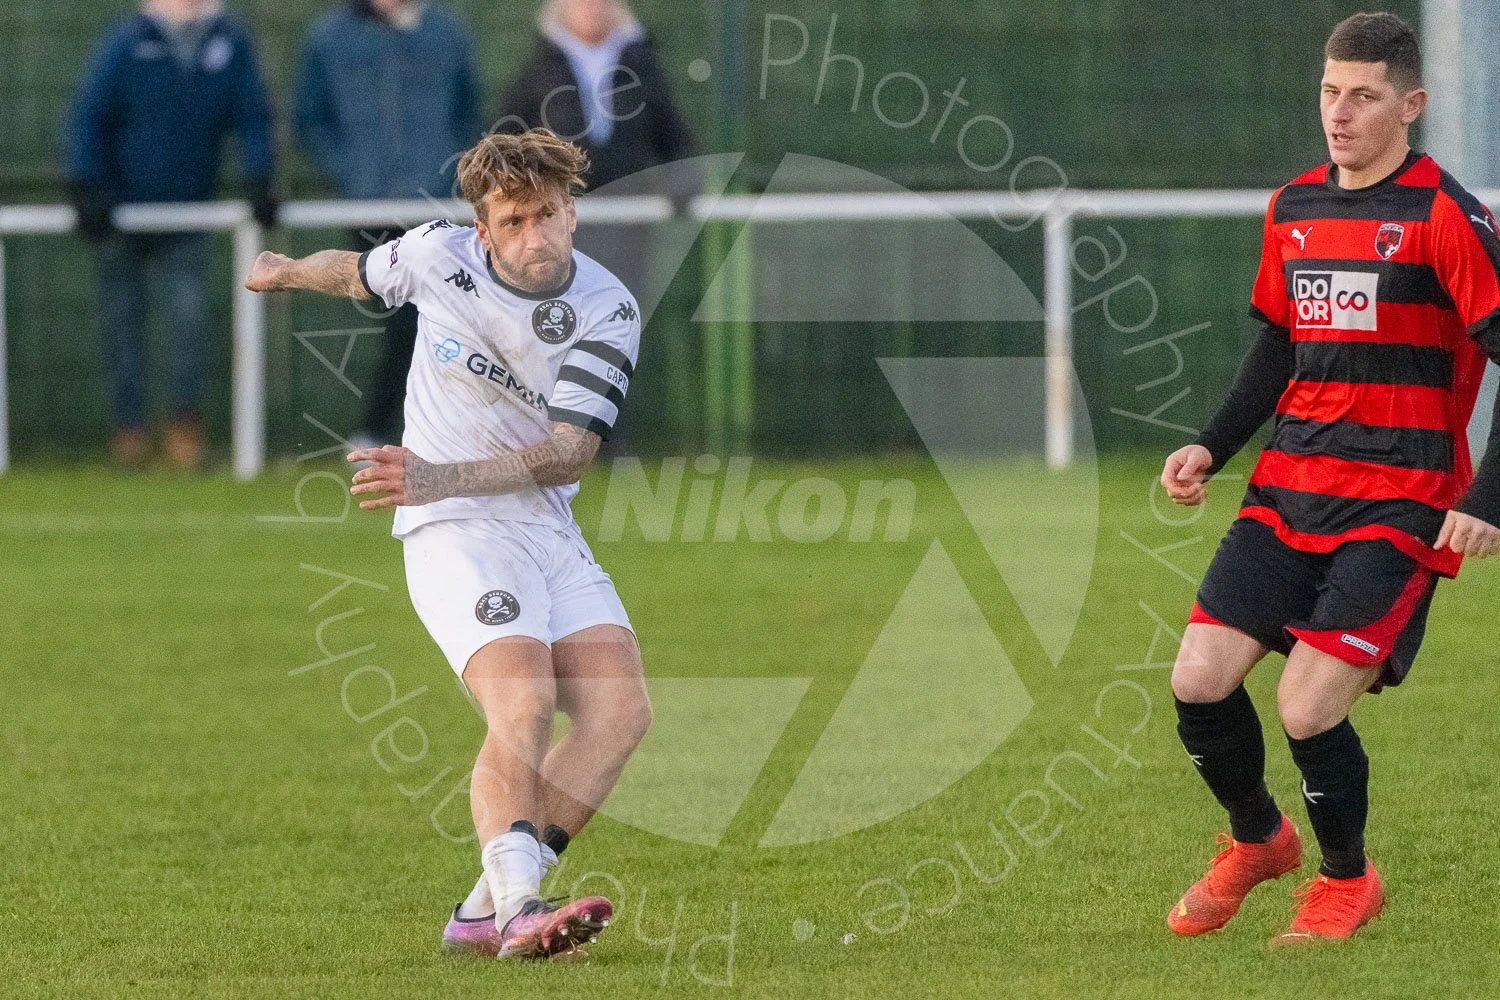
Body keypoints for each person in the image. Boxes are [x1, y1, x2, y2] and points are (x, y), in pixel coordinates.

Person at [244, 129, 651, 960]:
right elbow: (357, 274)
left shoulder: (607, 309)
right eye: (512, 221)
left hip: (537, 521)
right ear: (481, 229)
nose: (533, 236)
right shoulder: (436, 256)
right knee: (525, 706)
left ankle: (480, 912)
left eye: (547, 215)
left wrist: (439, 473)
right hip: (454, 531)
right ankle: (518, 911)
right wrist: (288, 273)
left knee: (619, 714)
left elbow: (572, 452)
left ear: (573, 213)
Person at [1160, 12, 1500, 946]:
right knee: (1197, 679)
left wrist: (1488, 501)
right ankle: (1260, 841)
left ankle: (1348, 881)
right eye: (1328, 92)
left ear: (1412, 105)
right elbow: (1281, 339)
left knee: (1307, 704)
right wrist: (1211, 446)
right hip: (1287, 490)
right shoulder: (1296, 207)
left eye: (1363, 96)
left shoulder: (1447, 218)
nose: (1339, 114)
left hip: (1401, 503)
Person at [64, 0, 277, 470]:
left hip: (188, 216)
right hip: (121, 217)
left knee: (188, 324)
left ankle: (184, 428)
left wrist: (260, 177)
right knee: (121, 326)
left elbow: (252, 115)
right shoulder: (126, 41)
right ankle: (130, 430)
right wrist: (86, 184)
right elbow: (89, 116)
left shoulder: (229, 41)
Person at [295, 0, 481, 450]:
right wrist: (353, 172)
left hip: (434, 208)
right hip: (368, 210)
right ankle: (391, 432)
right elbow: (310, 121)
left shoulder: (445, 31)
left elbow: (467, 113)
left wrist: (447, 172)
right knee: (409, 322)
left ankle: (397, 434)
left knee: (429, 324)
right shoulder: (329, 36)